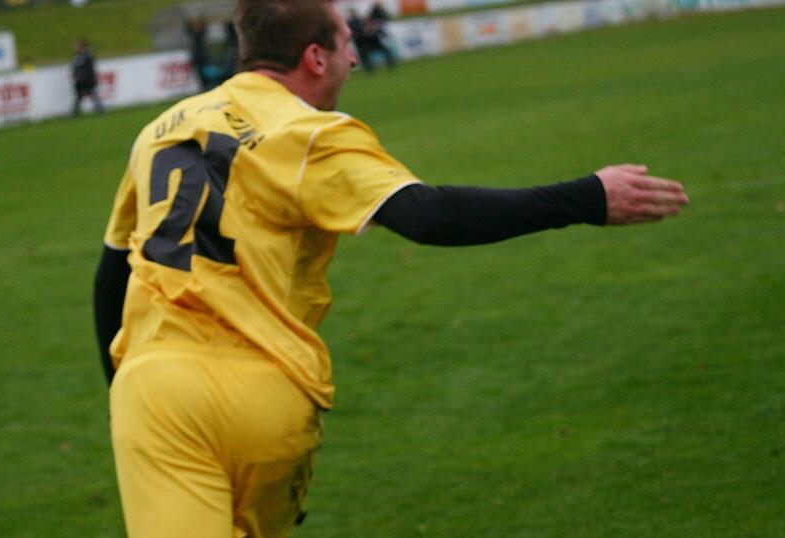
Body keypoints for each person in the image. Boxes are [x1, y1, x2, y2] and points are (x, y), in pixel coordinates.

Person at [92, 1, 689, 536]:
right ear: (315, 57)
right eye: (347, 42)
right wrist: (588, 197)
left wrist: (126, 391)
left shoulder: (160, 131)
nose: (355, 57)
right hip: (266, 390)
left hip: (158, 388)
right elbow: (428, 215)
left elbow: (112, 273)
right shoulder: (308, 134)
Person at [71, 39, 104, 116]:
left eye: (78, 46)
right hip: (80, 81)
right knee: (79, 97)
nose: (76, 47)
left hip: (88, 80)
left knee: (93, 95)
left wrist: (83, 76)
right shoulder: (77, 56)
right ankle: (76, 112)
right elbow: (75, 68)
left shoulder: (87, 56)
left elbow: (88, 69)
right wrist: (75, 75)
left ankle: (100, 110)